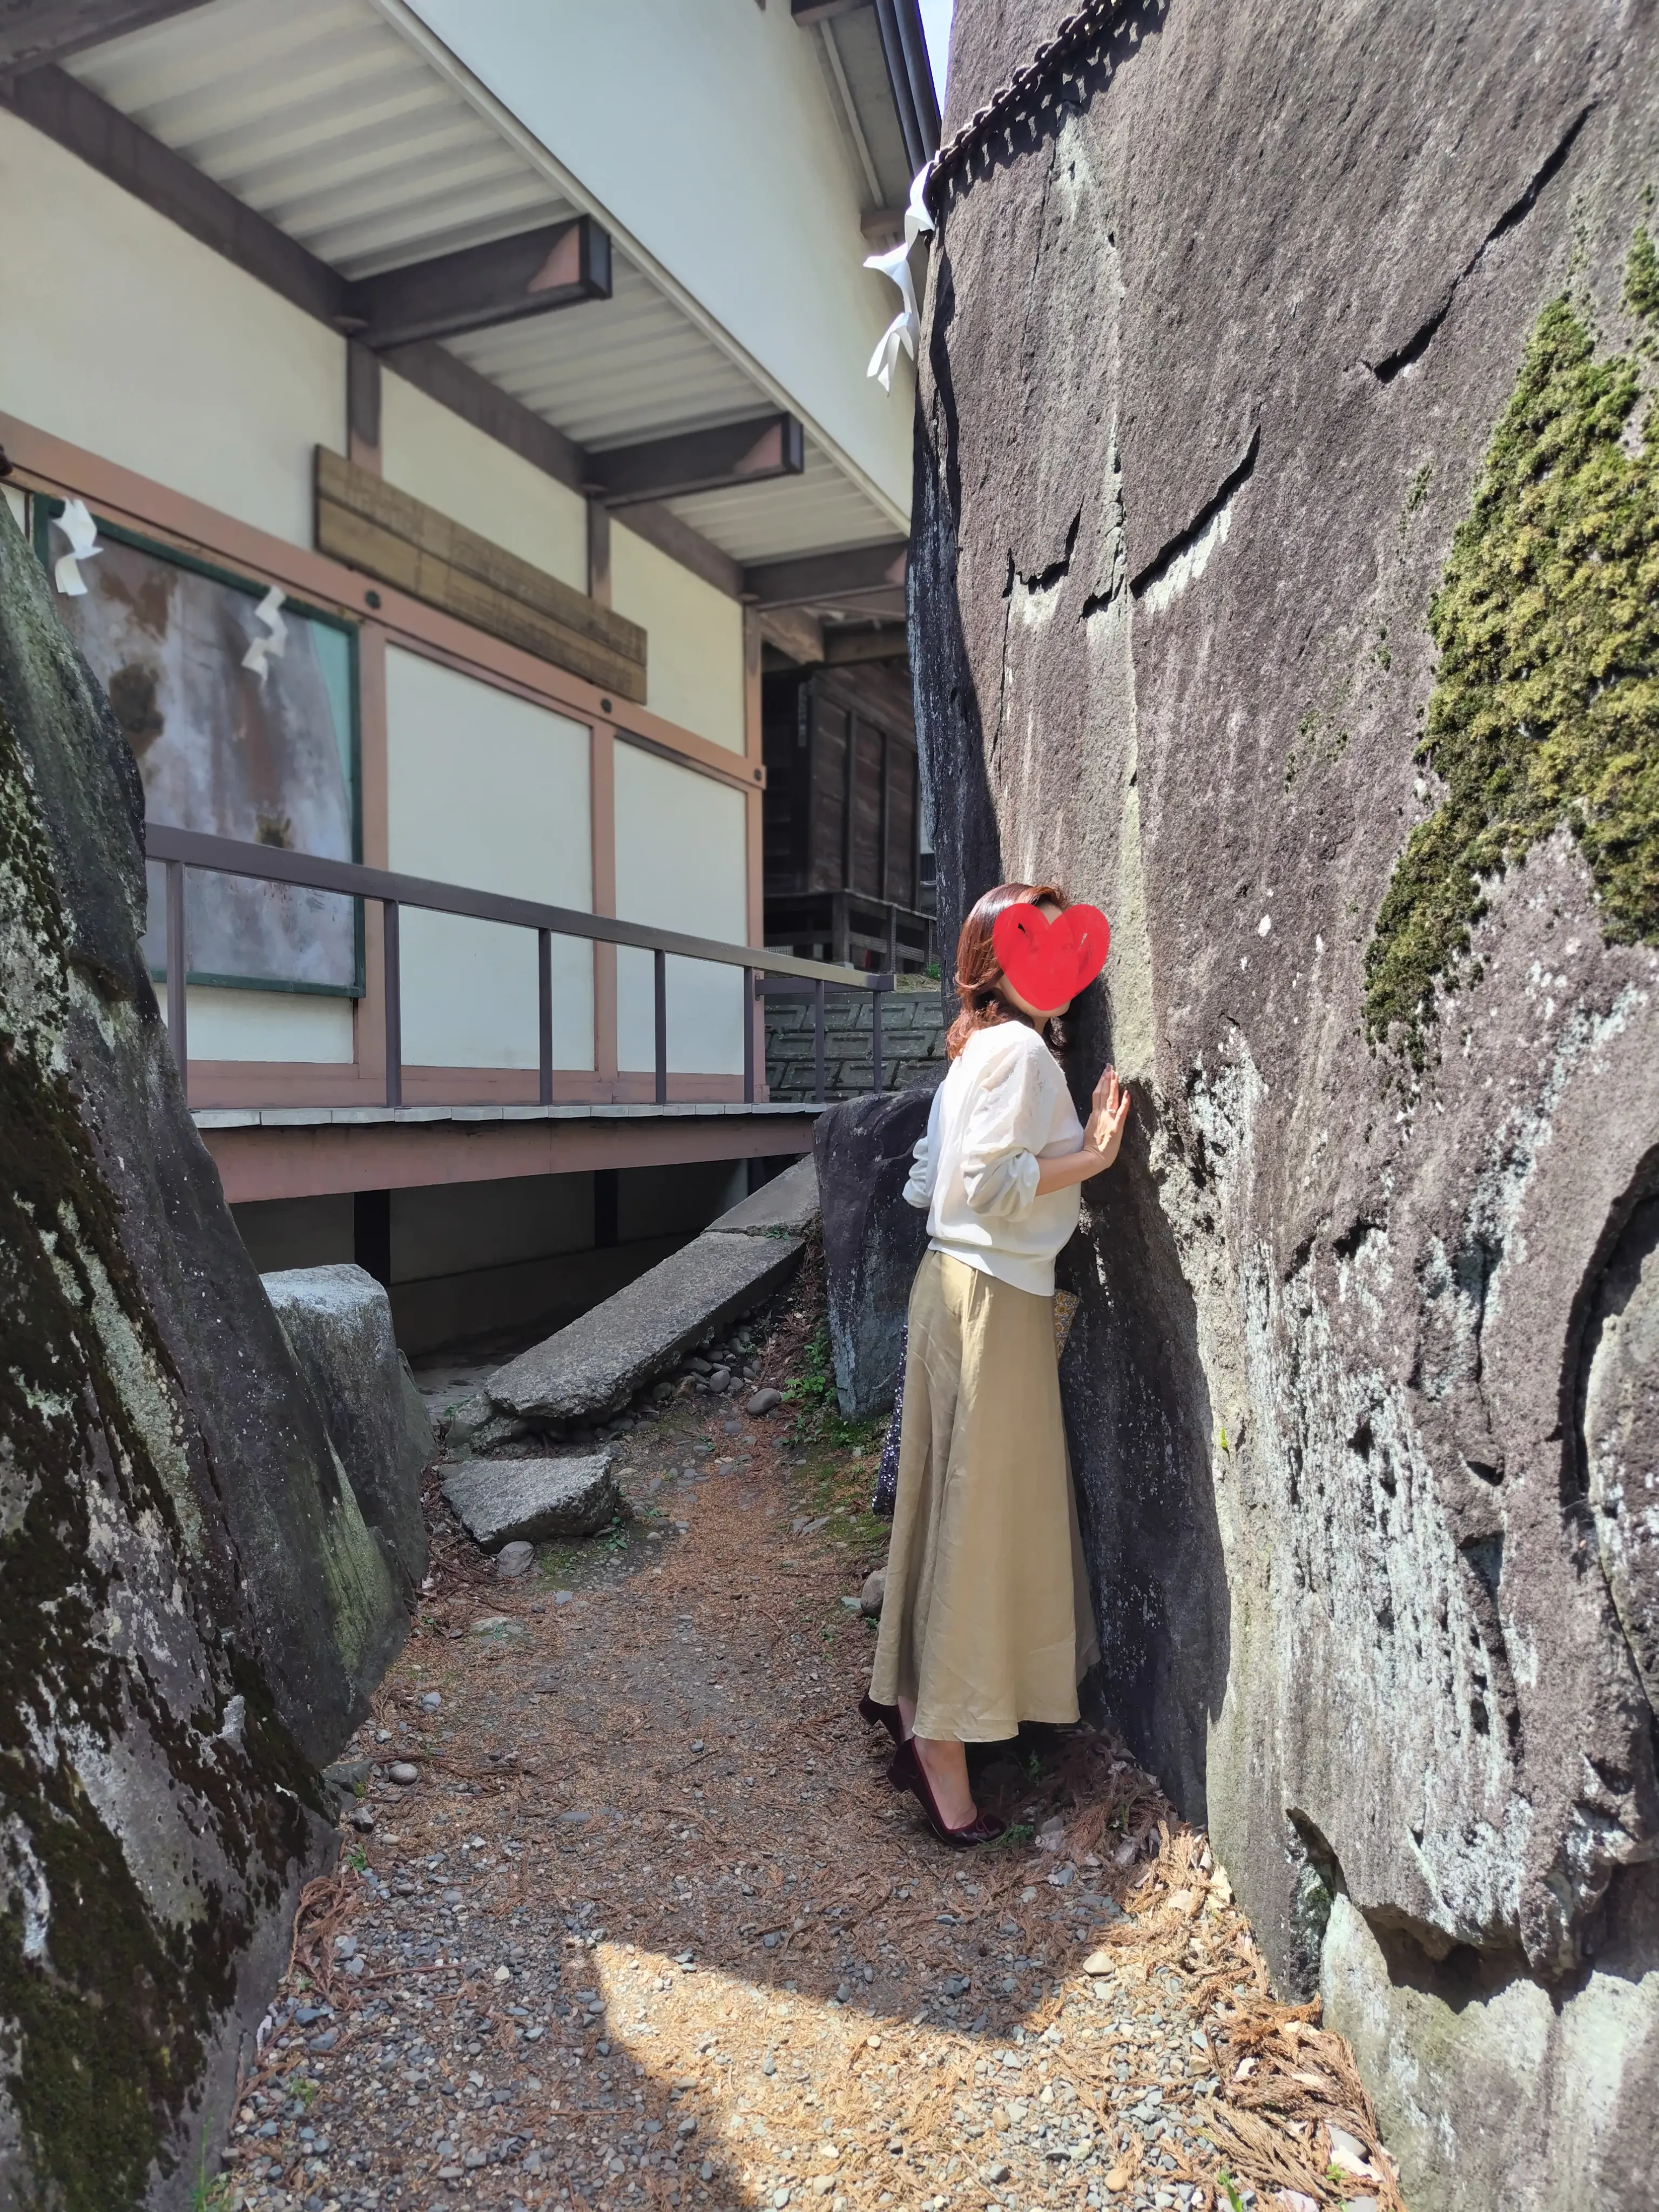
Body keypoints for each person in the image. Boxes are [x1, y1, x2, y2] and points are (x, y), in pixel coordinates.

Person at [861, 881, 1131, 1845]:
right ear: (998, 961)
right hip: (992, 1294)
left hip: (950, 1286)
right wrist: (1094, 1158)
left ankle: (916, 1692)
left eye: (1066, 948)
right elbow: (987, 1182)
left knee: (950, 1498)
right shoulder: (1018, 1051)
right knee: (985, 1508)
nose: (1057, 967)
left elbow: (937, 1180)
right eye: (1036, 948)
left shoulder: (977, 1050)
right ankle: (941, 1737)